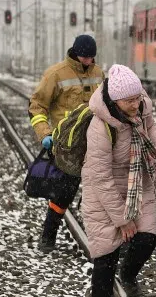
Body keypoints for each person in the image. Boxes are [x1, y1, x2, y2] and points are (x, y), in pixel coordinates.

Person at [80, 65, 156, 297]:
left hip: (137, 181)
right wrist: (122, 219)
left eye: (137, 98)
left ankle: (129, 275)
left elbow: (150, 128)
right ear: (115, 100)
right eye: (129, 101)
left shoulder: (142, 107)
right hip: (103, 194)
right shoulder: (100, 127)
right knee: (105, 256)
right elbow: (101, 178)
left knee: (147, 237)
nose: (135, 105)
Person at [28, 34, 104, 252]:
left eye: (91, 58)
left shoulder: (99, 74)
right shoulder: (56, 74)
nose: (88, 62)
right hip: (66, 146)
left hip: (95, 143)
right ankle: (48, 236)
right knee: (64, 193)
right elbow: (37, 106)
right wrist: (44, 134)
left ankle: (102, 241)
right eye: (85, 57)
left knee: (100, 193)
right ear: (76, 54)